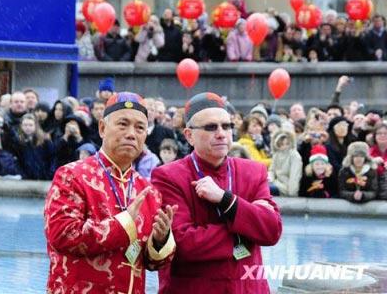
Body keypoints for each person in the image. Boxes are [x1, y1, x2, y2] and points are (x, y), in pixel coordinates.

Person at [44, 91, 177, 293]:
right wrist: (122, 225)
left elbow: (153, 263)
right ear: (102, 128)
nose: (132, 133)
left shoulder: (148, 191)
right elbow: (62, 235)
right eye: (123, 124)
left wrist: (160, 240)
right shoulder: (72, 176)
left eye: (140, 127)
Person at [151, 92, 282, 294]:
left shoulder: (254, 171)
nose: (221, 133)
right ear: (189, 135)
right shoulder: (168, 176)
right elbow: (183, 244)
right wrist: (247, 233)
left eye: (227, 126)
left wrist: (226, 199)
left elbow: (272, 231)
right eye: (211, 127)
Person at [268, 130, 302, 197]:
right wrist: (270, 180)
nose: (284, 146)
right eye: (281, 144)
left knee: (266, 189)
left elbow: (294, 176)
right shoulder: (276, 154)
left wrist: (292, 194)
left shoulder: (294, 156)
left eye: (287, 143)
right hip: (275, 182)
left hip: (286, 187)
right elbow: (271, 170)